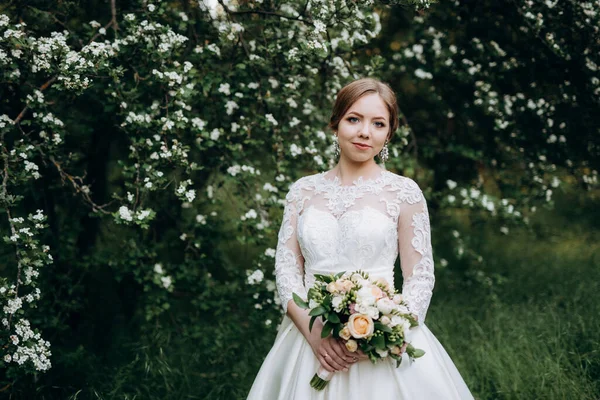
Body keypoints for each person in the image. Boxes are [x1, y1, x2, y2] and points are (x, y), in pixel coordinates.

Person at [246, 78, 474, 399]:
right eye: (354, 119)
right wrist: (314, 336)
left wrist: (385, 334)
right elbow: (287, 271)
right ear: (336, 123)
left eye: (378, 123)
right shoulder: (302, 191)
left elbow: (420, 277)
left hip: (380, 342)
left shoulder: (404, 193)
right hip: (309, 338)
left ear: (388, 134)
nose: (365, 131)